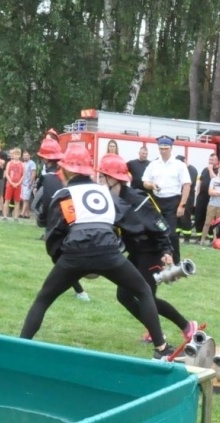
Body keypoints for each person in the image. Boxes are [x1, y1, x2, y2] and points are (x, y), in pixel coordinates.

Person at [20, 142, 177, 357]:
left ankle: (20, 347)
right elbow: (131, 222)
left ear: (66, 170)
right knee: (143, 291)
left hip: (75, 253)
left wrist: (62, 261)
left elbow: (54, 233)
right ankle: (161, 348)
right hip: (108, 253)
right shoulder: (106, 194)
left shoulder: (64, 195)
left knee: (43, 299)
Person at [99, 152, 201, 345]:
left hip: (152, 253)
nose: (100, 181)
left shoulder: (137, 200)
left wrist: (166, 251)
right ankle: (155, 331)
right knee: (124, 295)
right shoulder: (112, 199)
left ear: (113, 179)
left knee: (147, 297)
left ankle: (187, 327)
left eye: (102, 177)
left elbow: (160, 225)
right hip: (136, 253)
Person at [139, 136, 192, 257]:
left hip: (173, 201)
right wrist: (152, 185)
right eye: (161, 149)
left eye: (166, 149)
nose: (163, 151)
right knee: (155, 230)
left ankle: (176, 260)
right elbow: (145, 182)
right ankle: (158, 258)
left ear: (171, 148)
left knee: (171, 233)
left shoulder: (179, 165)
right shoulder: (153, 164)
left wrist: (182, 205)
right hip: (157, 200)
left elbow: (187, 185)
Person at [2, 149, 25, 220]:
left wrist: (18, 183)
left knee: (17, 201)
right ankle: (5, 216)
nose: (16, 156)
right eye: (15, 154)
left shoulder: (22, 164)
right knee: (7, 200)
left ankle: (16, 217)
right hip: (10, 184)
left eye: (18, 154)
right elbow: (7, 173)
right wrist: (11, 182)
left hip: (18, 185)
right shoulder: (9, 163)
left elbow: (23, 175)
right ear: (13, 155)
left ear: (20, 155)